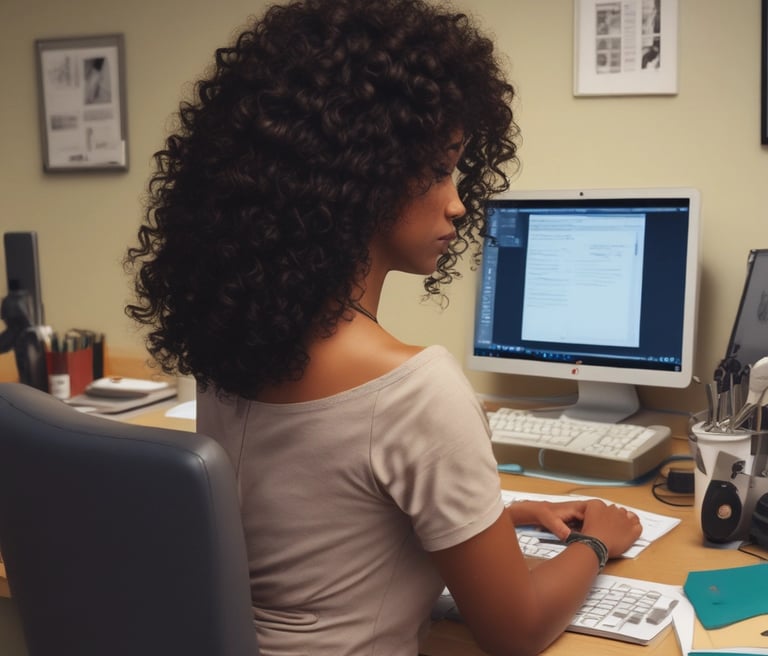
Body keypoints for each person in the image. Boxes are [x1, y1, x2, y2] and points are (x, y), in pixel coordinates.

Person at [125, 1, 642, 654]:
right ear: (358, 178)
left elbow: (307, 533)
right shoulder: (412, 390)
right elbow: (514, 631)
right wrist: (598, 541)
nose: (457, 201)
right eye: (437, 169)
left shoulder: (230, 351)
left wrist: (487, 523)